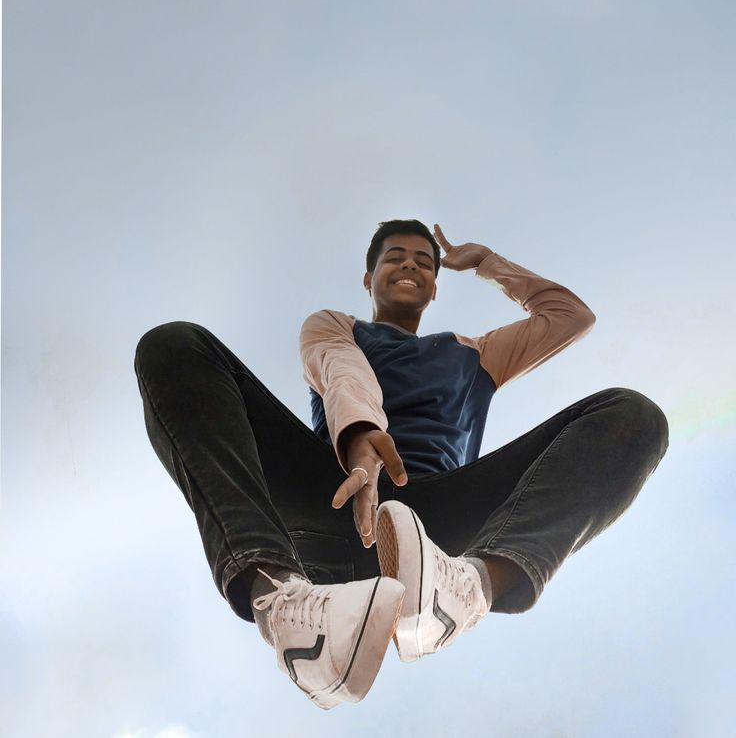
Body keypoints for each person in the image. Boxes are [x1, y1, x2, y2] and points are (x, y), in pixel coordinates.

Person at [134, 219, 668, 710]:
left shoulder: (477, 354)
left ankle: (473, 588)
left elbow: (570, 317)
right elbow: (342, 371)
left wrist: (486, 264)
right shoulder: (333, 326)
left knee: (633, 416)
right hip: (333, 499)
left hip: (432, 533)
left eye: (424, 261)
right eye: (395, 257)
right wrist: (362, 436)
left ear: (435, 287)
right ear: (369, 278)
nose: (410, 264)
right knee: (175, 345)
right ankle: (279, 599)